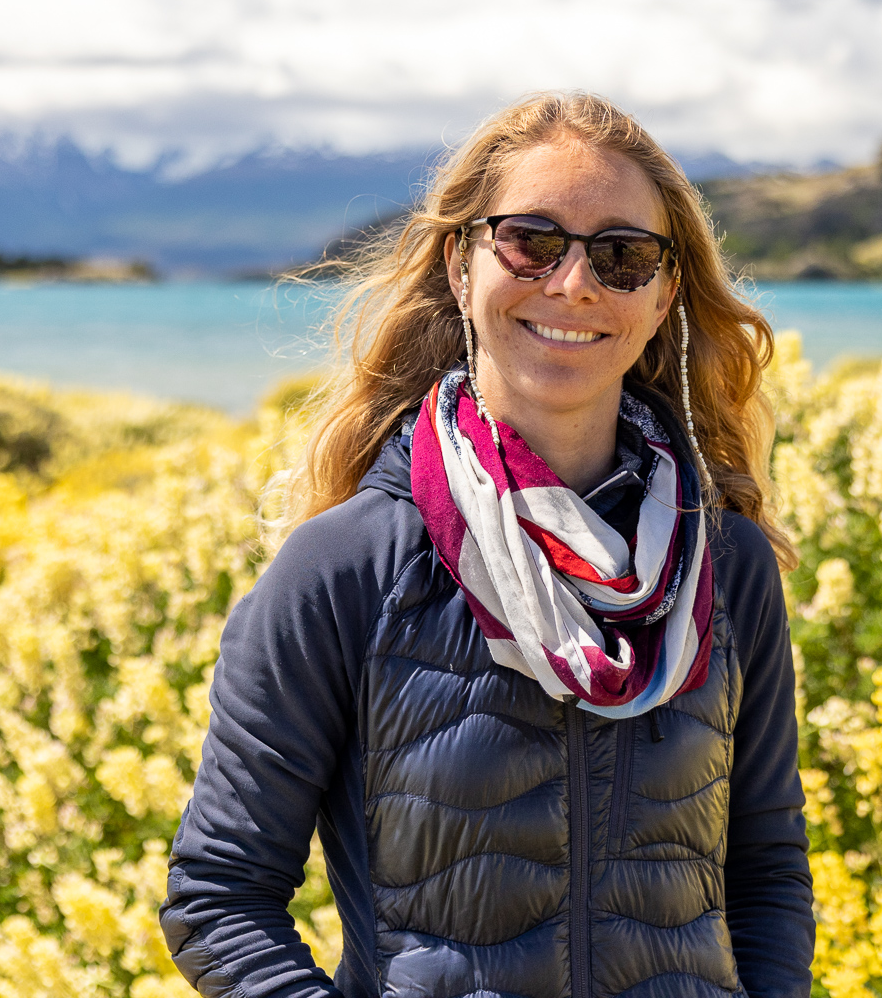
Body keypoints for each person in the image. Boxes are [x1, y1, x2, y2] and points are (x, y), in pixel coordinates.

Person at [162, 92, 814, 998]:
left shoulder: (724, 564)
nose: (574, 283)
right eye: (530, 241)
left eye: (623, 255)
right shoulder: (348, 566)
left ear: (664, 293)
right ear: (460, 266)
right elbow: (218, 896)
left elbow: (768, 872)